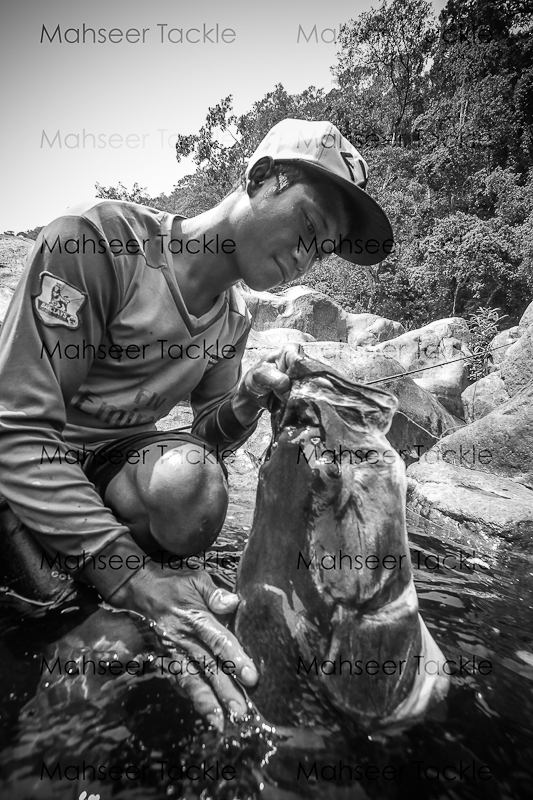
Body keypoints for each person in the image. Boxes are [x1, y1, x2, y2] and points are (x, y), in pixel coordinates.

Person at [0, 118, 393, 730]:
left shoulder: (232, 321)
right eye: (309, 227)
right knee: (76, 627)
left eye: (322, 249)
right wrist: (134, 580)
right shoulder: (99, 243)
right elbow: (18, 430)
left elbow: (203, 439)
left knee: (194, 483)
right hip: (20, 463)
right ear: (259, 178)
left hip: (107, 466)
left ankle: (115, 592)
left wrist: (247, 398)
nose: (305, 256)